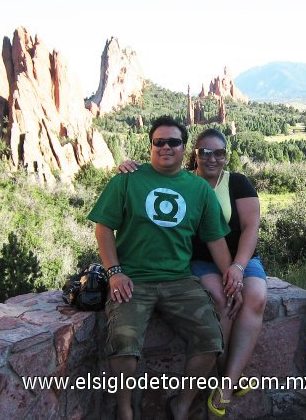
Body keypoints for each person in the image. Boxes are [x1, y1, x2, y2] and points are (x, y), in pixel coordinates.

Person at [88, 117, 244, 420]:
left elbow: (216, 241)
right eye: (159, 141)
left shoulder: (198, 189)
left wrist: (233, 281)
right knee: (123, 342)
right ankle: (124, 410)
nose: (166, 147)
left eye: (173, 142)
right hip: (133, 279)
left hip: (179, 280)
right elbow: (103, 228)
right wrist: (114, 271)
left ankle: (181, 405)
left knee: (211, 340)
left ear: (184, 148)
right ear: (150, 146)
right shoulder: (127, 180)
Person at [118, 127, 267, 417]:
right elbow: (152, 177)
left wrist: (237, 267)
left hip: (241, 258)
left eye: (219, 153)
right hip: (201, 261)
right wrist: (126, 167)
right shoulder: (183, 182)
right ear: (193, 154)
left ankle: (226, 384)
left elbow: (251, 227)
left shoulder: (237, 183)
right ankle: (226, 375)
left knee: (257, 296)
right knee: (222, 299)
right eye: (204, 152)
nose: (212, 158)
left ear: (226, 156)